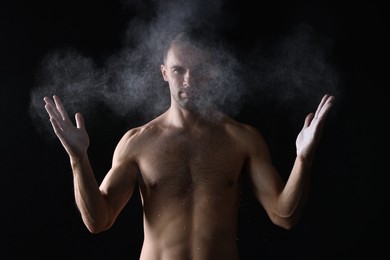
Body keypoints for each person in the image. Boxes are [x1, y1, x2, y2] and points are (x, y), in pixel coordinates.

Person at [43, 31, 334, 260]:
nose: (189, 79)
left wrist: (303, 160)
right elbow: (99, 221)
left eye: (199, 69)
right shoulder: (138, 141)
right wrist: (78, 159)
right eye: (179, 70)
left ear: (213, 72)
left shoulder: (241, 139)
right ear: (164, 73)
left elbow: (283, 216)